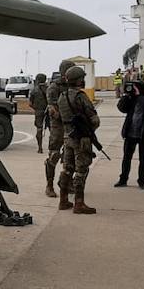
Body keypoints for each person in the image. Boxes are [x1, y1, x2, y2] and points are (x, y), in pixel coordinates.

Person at [56, 65, 98, 214]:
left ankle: (63, 200)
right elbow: (95, 120)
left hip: (67, 137)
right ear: (79, 80)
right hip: (81, 139)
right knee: (81, 170)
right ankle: (79, 203)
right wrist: (89, 130)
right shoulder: (80, 96)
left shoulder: (62, 96)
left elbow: (61, 118)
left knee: (67, 169)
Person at [114, 77, 144, 190]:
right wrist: (127, 95)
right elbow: (121, 108)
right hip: (130, 132)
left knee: (143, 159)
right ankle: (123, 179)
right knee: (126, 157)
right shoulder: (134, 98)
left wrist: (139, 96)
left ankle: (141, 180)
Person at [43, 59, 76, 199]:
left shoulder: (72, 86)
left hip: (71, 125)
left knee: (71, 155)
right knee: (54, 155)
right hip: (58, 126)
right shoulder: (54, 87)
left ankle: (66, 183)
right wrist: (65, 117)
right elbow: (51, 108)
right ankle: (49, 186)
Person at [28, 73, 48, 155]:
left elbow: (30, 103)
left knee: (39, 129)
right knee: (53, 129)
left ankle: (40, 148)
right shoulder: (49, 89)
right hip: (49, 111)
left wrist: (35, 108)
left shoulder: (34, 90)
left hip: (39, 111)